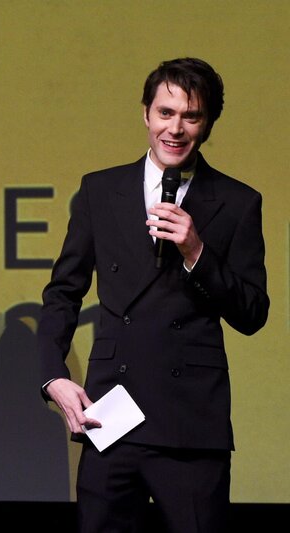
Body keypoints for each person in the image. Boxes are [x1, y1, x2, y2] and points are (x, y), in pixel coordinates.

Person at [37, 58, 269, 532]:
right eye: (165, 113)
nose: (175, 129)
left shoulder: (238, 201)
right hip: (112, 417)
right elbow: (63, 292)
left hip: (190, 423)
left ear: (208, 124)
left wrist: (197, 251)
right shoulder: (100, 191)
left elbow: (252, 312)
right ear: (146, 114)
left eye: (191, 116)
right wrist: (52, 377)